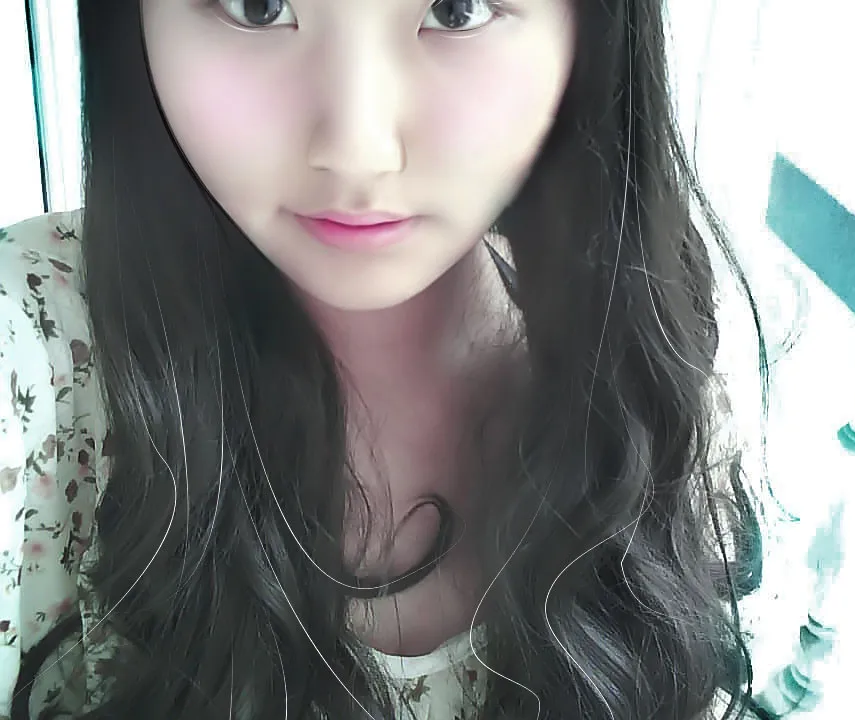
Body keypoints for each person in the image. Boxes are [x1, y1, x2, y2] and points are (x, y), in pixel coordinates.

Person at [0, 0, 771, 717]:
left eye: (457, 8)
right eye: (258, 5)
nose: (357, 149)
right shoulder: (32, 341)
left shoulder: (663, 391)